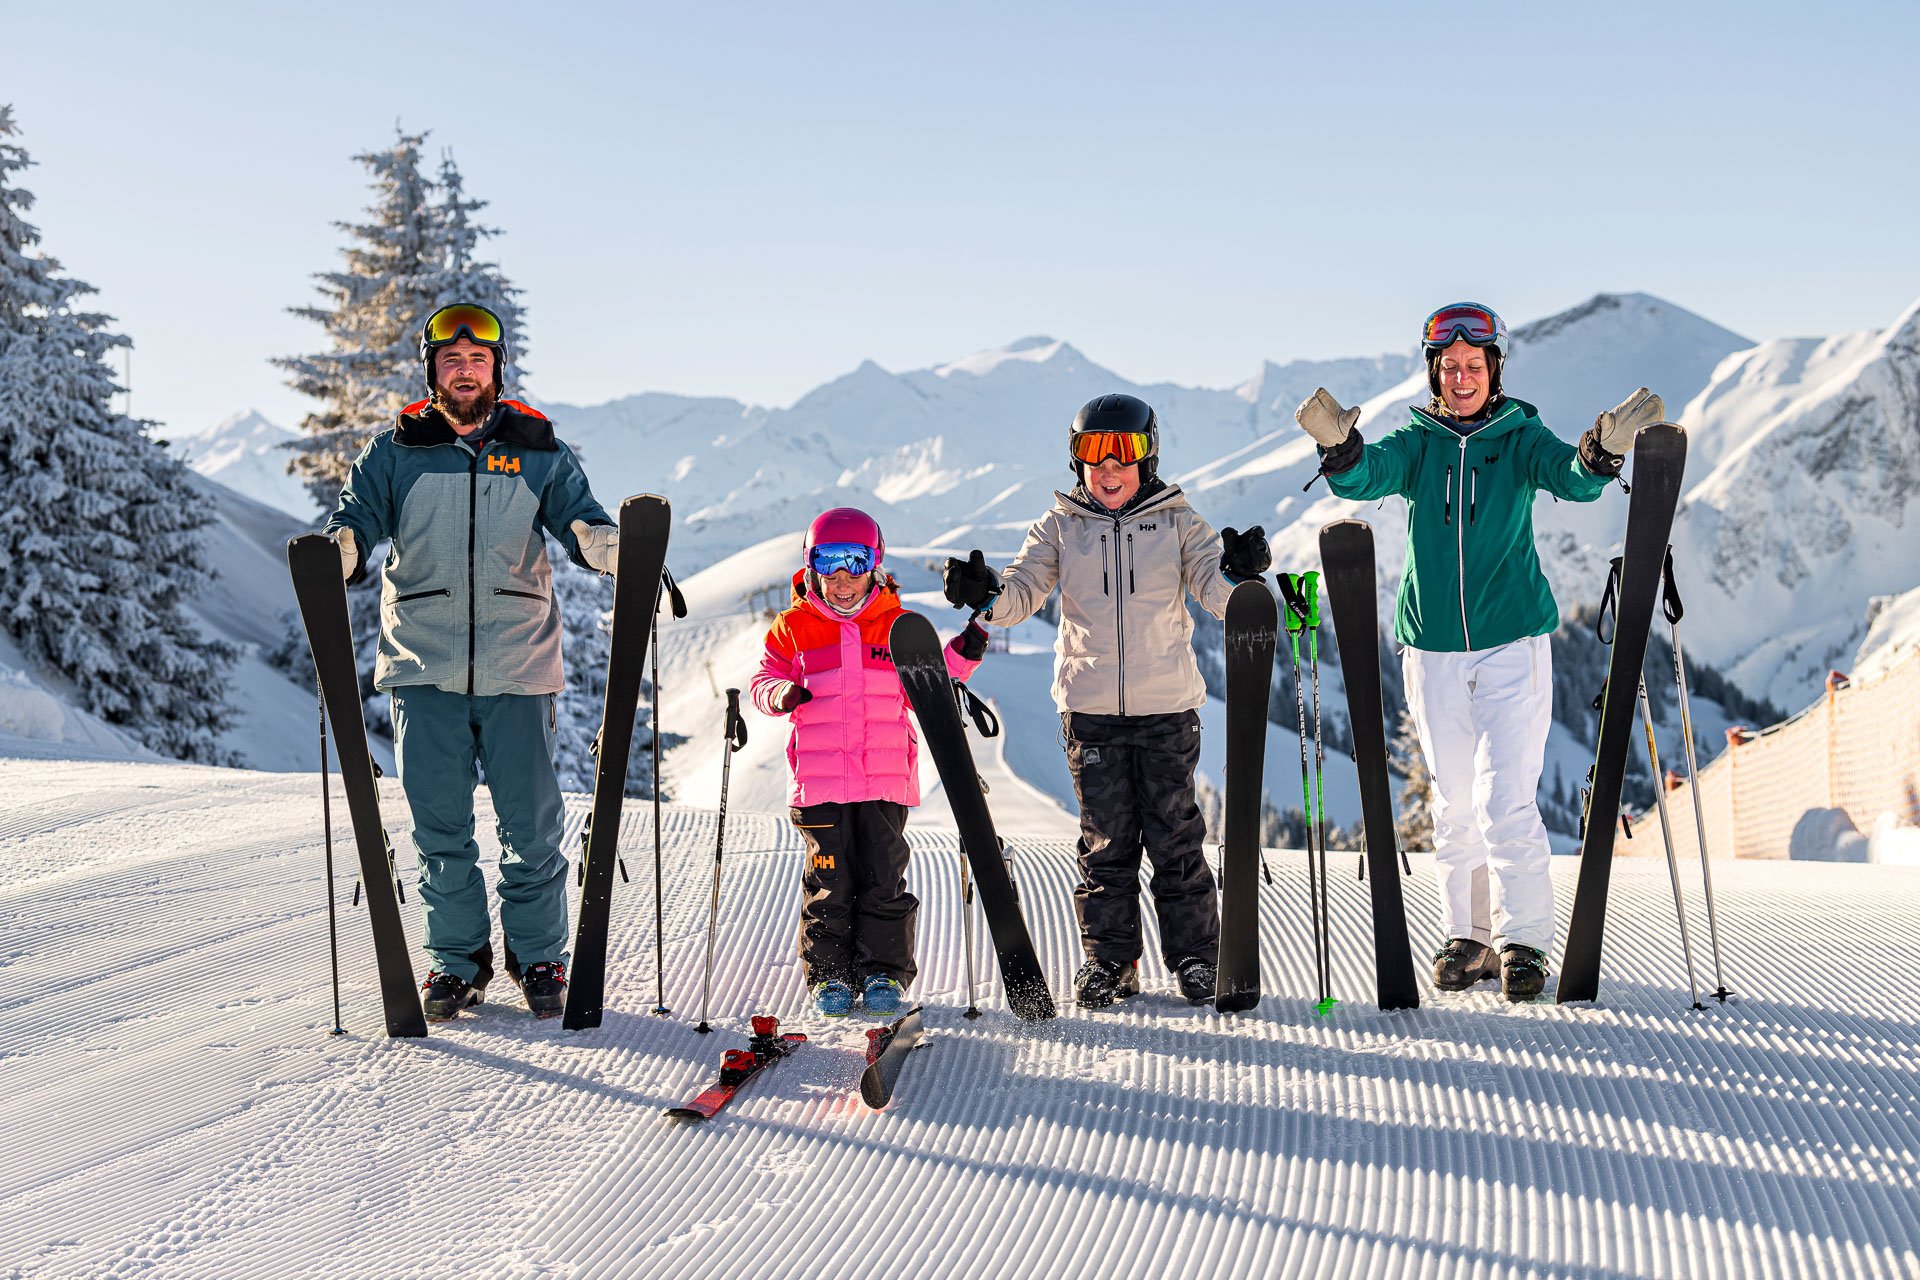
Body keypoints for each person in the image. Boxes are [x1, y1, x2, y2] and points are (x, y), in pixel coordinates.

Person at [1294, 300, 1663, 1000]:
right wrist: (1340, 452)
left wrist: (1599, 452)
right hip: (1430, 648)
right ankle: (1469, 939)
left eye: (1474, 363)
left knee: (1503, 798)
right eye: (1450, 365)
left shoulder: (1518, 437)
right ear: (1436, 372)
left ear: (1494, 369)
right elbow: (1364, 477)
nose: (1462, 375)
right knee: (1455, 803)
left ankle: (1523, 941)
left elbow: (1572, 479)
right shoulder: (1418, 441)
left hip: (1511, 641)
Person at [325, 302, 621, 1021]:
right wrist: (340, 551)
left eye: (477, 360)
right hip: (422, 666)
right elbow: (356, 517)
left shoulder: (538, 447)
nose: (465, 371)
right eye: (452, 360)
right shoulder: (394, 451)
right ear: (433, 369)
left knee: (532, 827)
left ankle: (538, 956)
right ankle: (456, 964)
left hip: (518, 665)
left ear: (496, 369)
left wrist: (610, 546)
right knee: (440, 829)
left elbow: (581, 518)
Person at [942, 393, 1271, 1009]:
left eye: (1124, 452)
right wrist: (985, 594)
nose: (1110, 466)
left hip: (1166, 708)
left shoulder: (1178, 522)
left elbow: (1214, 591)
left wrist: (1241, 578)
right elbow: (1022, 591)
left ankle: (1197, 957)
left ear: (1147, 457)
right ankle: (1110, 961)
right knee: (1106, 842)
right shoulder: (1060, 525)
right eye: (1094, 453)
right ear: (1077, 460)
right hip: (1091, 711)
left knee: (1175, 835)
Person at [751, 508, 990, 1018]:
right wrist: (780, 694)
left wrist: (969, 646)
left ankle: (883, 971)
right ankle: (830, 974)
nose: (841, 578)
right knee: (829, 881)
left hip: (883, 782)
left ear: (874, 565)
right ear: (811, 566)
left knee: (884, 878)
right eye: (828, 563)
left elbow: (932, 681)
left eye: (854, 563)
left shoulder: (897, 626)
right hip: (819, 785)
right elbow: (763, 680)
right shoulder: (793, 628)